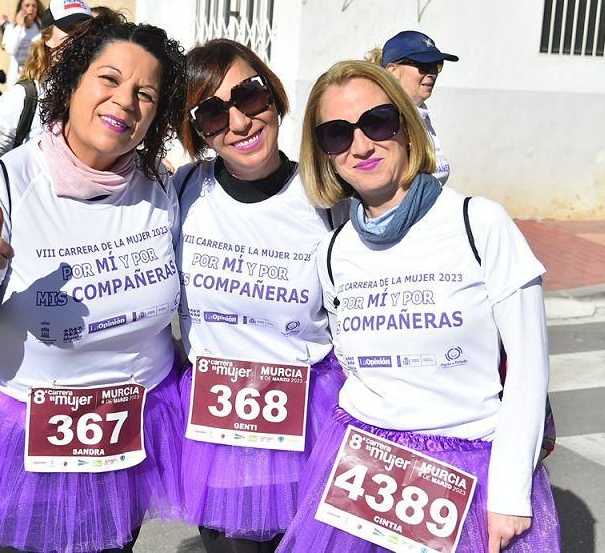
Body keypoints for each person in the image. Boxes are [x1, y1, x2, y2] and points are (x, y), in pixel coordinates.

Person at [0, 12, 187, 552]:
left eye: (146, 94)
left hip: (135, 428)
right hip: (29, 435)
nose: (125, 102)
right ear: (72, 84)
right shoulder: (2, 183)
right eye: (109, 79)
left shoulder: (161, 187)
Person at [278, 60, 559, 552]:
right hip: (362, 469)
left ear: (407, 125)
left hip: (467, 472)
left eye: (377, 122)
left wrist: (510, 493)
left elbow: (529, 371)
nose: (361, 145)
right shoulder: (333, 251)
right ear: (324, 154)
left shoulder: (480, 223)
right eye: (337, 134)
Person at [173, 39, 346, 551]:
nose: (240, 122)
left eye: (249, 96)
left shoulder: (327, 197)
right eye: (211, 113)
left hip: (309, 418)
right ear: (197, 130)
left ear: (272, 94)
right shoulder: (182, 191)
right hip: (215, 425)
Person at [0, 0, 93, 164]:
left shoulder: (97, 93)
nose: (79, 39)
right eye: (70, 29)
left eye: (85, 31)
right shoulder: (19, 100)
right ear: (47, 38)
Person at [367, 30, 458, 185]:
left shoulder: (420, 112)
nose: (432, 73)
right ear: (393, 71)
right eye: (423, 65)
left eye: (436, 65)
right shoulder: (384, 121)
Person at [0, 0, 42, 83]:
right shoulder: (11, 28)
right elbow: (10, 50)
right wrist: (19, 26)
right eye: (27, 6)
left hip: (34, 77)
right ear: (21, 8)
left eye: (34, 6)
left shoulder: (41, 30)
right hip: (15, 78)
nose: (31, 8)